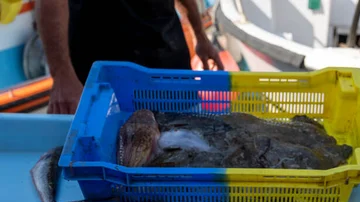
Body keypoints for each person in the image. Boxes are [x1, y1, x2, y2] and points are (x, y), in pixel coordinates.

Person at [35, 0, 224, 115]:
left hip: (169, 63)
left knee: (187, 138)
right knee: (112, 152)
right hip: (106, 73)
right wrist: (62, 76)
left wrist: (201, 37)